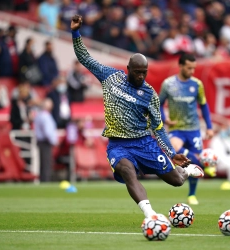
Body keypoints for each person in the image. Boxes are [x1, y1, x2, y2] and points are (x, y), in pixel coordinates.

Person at [70, 14, 204, 218]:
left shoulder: (150, 94)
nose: (141, 76)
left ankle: (186, 172)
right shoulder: (110, 77)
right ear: (128, 69)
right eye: (137, 72)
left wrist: (171, 152)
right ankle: (151, 215)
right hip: (118, 145)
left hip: (144, 143)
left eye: (144, 72)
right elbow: (85, 58)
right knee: (127, 171)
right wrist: (75, 32)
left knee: (176, 181)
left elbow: (158, 127)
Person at [159, 53, 214, 205]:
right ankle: (203, 162)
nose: (192, 71)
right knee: (178, 150)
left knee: (192, 163)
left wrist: (209, 127)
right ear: (181, 66)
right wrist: (165, 119)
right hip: (176, 129)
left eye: (194, 68)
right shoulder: (168, 84)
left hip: (194, 129)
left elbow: (203, 105)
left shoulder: (197, 84)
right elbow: (158, 103)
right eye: (189, 68)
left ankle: (191, 194)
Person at [34, 98, 58, 182]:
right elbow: (48, 131)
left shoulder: (39, 115)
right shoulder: (45, 116)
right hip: (45, 142)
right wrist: (54, 141)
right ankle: (46, 180)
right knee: (46, 163)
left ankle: (43, 180)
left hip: (41, 141)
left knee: (43, 163)